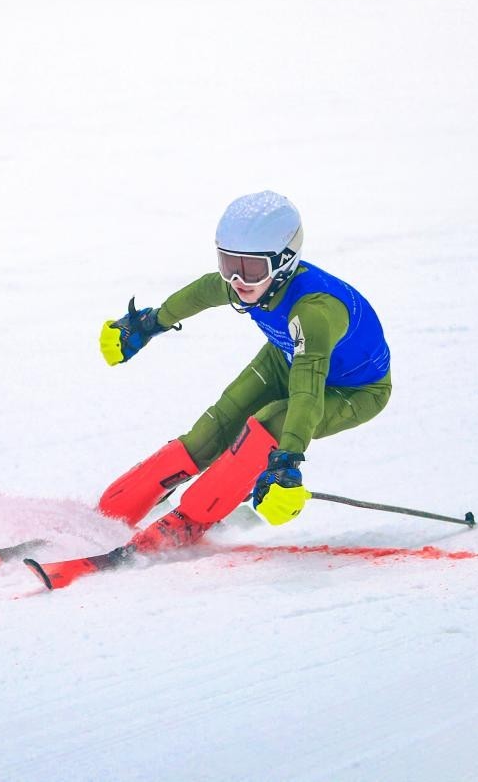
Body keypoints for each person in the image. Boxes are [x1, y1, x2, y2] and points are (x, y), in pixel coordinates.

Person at [97, 191, 392, 556]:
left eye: (251, 268)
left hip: (354, 390)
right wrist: (148, 324)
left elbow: (306, 391)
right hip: (285, 359)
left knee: (271, 422)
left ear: (284, 262)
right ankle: (111, 510)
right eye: (228, 264)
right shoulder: (253, 283)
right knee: (212, 431)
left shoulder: (315, 311)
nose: (237, 280)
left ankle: (194, 516)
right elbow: (205, 291)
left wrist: (286, 463)